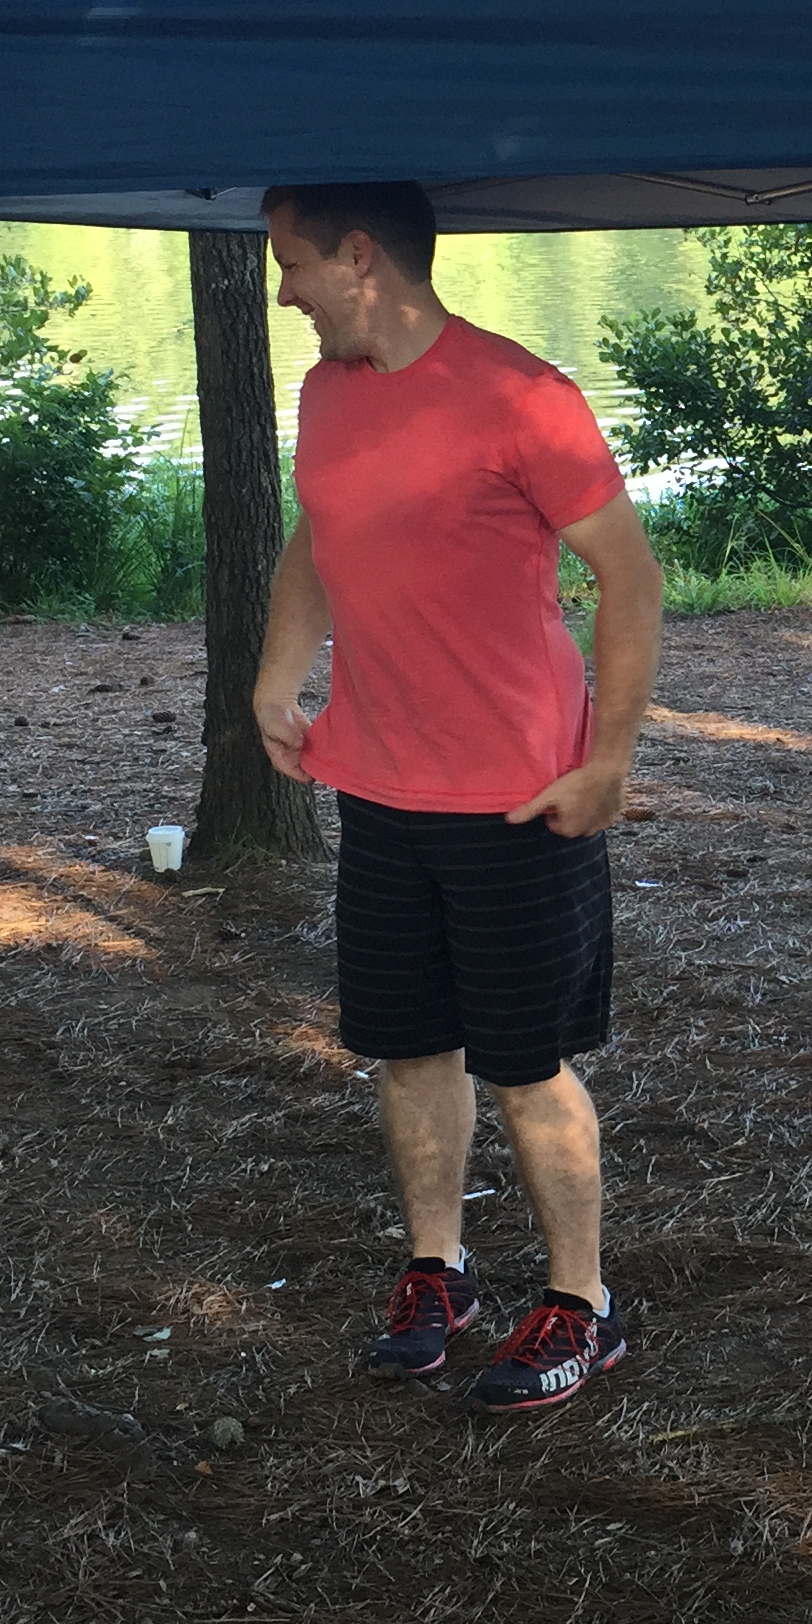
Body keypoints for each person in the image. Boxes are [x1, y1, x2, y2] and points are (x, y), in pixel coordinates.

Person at [252, 180, 665, 1412]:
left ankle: (583, 1305)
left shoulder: (522, 396)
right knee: (409, 1047)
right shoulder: (328, 394)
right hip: (379, 784)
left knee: (526, 1064)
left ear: (359, 257)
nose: (284, 291)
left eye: (292, 264)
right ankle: (439, 1271)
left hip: (516, 798)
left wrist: (610, 760)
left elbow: (632, 579)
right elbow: (317, 533)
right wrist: (277, 678)